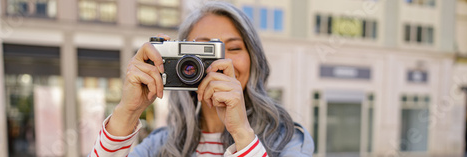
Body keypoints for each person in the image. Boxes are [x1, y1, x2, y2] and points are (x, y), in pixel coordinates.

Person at [89, 1, 314, 157]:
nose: (222, 62)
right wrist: (126, 113)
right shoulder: (160, 145)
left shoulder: (289, 140)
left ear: (254, 60)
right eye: (204, 50)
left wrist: (242, 135)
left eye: (233, 48)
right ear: (178, 61)